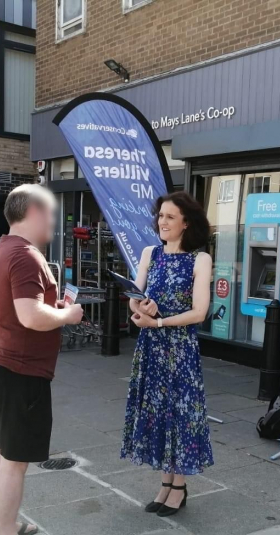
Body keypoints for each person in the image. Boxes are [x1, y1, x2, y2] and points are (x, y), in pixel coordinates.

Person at [0, 184, 83, 535]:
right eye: (51, 213)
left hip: (1, 367)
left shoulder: (5, 249)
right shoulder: (25, 255)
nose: (54, 221)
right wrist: (68, 315)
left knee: (3, 453)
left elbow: (25, 308)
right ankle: (4, 532)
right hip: (20, 371)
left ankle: (4, 525)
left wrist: (53, 308)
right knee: (14, 461)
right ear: (35, 211)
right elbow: (30, 315)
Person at [121, 191, 214, 517]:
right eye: (161, 215)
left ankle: (179, 486)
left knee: (179, 416)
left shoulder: (200, 260)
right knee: (157, 414)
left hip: (180, 351)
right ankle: (165, 482)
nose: (163, 221)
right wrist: (140, 307)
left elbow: (199, 312)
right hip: (151, 349)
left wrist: (158, 321)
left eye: (170, 216)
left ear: (186, 222)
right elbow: (134, 295)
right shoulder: (151, 253)